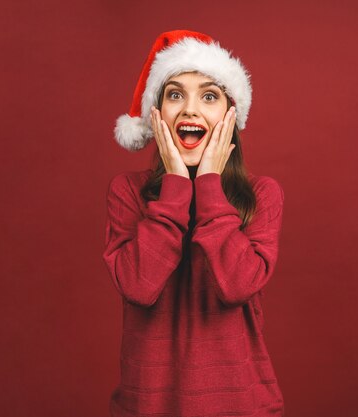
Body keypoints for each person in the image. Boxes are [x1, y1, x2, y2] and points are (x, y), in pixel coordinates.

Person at [102, 30, 286, 416]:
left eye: (208, 95)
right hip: (147, 405)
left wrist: (208, 186)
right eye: (174, 94)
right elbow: (139, 285)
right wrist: (174, 188)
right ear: (156, 114)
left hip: (241, 403)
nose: (189, 110)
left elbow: (236, 287)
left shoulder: (262, 195)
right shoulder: (127, 193)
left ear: (231, 114)